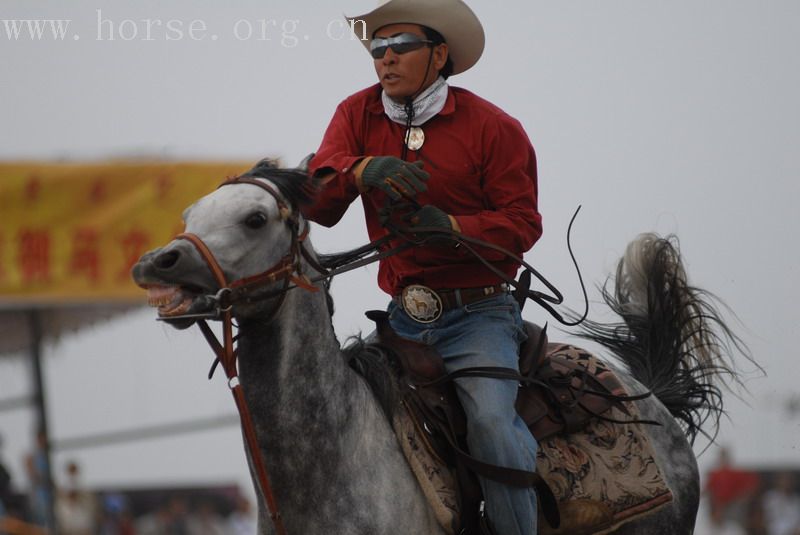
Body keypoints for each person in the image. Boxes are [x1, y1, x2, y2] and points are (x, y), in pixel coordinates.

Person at [303, 1, 542, 533]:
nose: (385, 59)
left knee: (490, 425)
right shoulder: (355, 114)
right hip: (402, 319)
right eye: (377, 49)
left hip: (480, 315)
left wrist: (453, 229)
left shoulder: (495, 127)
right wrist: (362, 169)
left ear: (439, 55)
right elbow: (317, 201)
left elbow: (522, 225)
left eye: (400, 46)